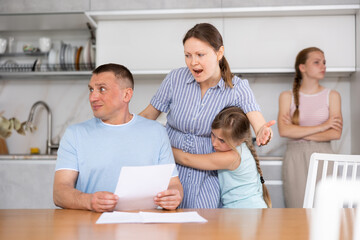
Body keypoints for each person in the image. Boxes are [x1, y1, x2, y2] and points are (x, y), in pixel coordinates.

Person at [140, 23, 275, 208]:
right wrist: (121, 127)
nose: (193, 62)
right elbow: (148, 115)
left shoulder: (237, 88)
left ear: (219, 53)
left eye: (200, 55)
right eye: (188, 55)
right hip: (168, 171)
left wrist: (262, 131)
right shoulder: (175, 79)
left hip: (206, 178)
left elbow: (258, 121)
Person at [53, 63, 183, 212]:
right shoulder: (75, 134)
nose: (92, 97)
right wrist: (88, 201)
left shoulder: (157, 132)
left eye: (102, 89)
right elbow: (59, 193)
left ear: (126, 95)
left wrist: (175, 196)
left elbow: (173, 183)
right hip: (92, 228)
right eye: (91, 89)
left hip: (143, 228)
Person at [278, 47, 343, 208]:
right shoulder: (287, 97)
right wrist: (323, 126)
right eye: (317, 62)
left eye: (324, 62)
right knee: (297, 212)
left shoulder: (332, 95)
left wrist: (297, 132)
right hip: (295, 158)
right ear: (302, 67)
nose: (323, 66)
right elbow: (284, 131)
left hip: (325, 156)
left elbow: (335, 133)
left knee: (328, 211)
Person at [173, 107, 271, 208]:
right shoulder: (241, 149)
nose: (214, 143)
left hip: (246, 212)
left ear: (240, 140)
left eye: (222, 140)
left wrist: (164, 147)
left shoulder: (232, 157)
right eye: (212, 135)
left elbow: (186, 159)